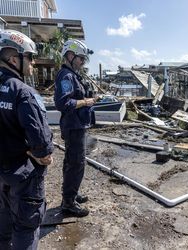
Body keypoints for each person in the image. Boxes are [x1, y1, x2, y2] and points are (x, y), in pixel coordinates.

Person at [0, 29, 54, 249]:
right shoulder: (23, 92)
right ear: (14, 59)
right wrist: (40, 153)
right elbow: (42, 145)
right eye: (30, 57)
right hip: (22, 177)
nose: (32, 63)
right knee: (26, 229)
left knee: (3, 228)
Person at [54, 39, 96, 217]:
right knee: (76, 164)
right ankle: (68, 203)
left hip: (78, 125)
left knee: (72, 162)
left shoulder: (73, 75)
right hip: (73, 126)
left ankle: (71, 194)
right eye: (80, 58)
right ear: (70, 56)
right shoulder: (66, 76)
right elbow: (63, 103)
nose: (82, 62)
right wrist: (86, 101)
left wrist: (89, 97)